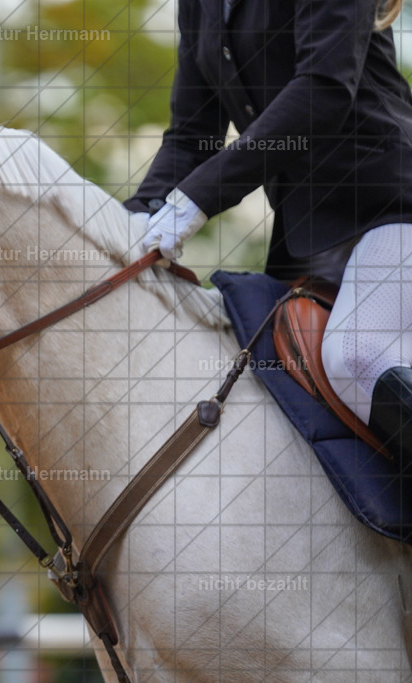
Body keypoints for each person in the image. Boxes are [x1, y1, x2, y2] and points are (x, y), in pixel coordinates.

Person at [124, 0, 412, 464]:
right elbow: (192, 134)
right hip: (305, 240)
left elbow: (323, 90)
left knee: (357, 357)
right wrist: (133, 219)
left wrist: (197, 198)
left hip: (389, 207)